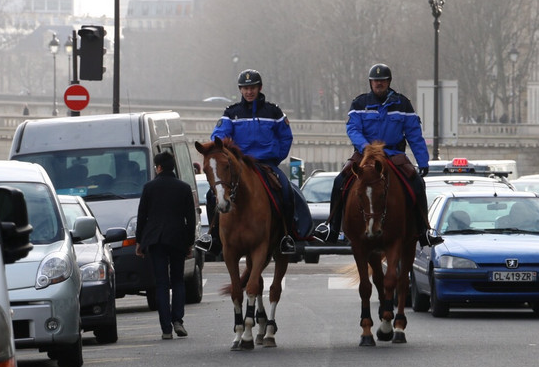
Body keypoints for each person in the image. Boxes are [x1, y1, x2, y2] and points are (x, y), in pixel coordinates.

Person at [314, 64, 443, 247]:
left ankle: (424, 231)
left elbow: (414, 133)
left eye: (382, 81)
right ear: (370, 83)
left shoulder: (402, 104)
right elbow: (353, 128)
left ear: (388, 82)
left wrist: (423, 160)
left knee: (417, 183)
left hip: (393, 154)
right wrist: (366, 147)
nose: (379, 84)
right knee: (339, 181)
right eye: (375, 81)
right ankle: (332, 229)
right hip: (365, 154)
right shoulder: (359, 103)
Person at [197, 68, 310, 256]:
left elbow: (286, 137)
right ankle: (214, 237)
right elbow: (219, 135)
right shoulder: (231, 113)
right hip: (241, 166)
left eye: (253, 88)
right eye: (245, 88)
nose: (249, 92)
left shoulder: (274, 111)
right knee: (211, 195)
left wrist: (275, 158)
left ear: (260, 88)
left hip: (267, 164)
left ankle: (287, 236)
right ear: (240, 90)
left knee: (287, 191)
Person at [136, 150, 197, 339]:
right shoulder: (184, 188)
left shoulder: (149, 188)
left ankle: (166, 329)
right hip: (177, 239)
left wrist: (140, 241)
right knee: (178, 280)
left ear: (159, 167)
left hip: (156, 240)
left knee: (161, 283)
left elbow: (142, 217)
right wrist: (188, 243)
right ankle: (178, 320)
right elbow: (190, 218)